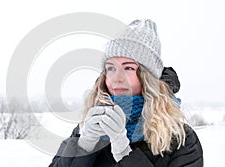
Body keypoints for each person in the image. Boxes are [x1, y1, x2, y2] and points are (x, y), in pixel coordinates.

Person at [49, 19, 203, 167]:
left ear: (147, 77)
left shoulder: (181, 140)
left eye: (128, 68)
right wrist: (84, 146)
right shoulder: (89, 127)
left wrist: (124, 153)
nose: (117, 78)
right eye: (110, 68)